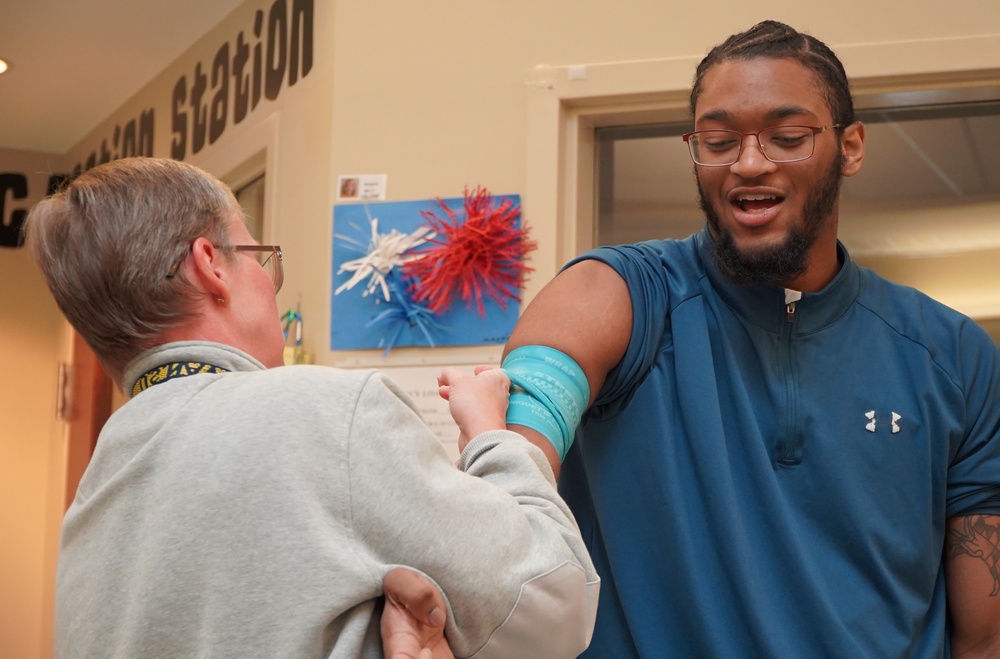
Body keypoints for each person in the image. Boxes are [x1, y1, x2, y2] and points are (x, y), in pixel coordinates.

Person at [494, 20, 1000, 658]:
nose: (749, 162)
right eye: (718, 140)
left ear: (851, 147)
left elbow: (983, 638)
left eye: (788, 137)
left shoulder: (951, 358)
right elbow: (512, 457)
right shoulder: (623, 293)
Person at [26, 157, 599, 658]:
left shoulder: (94, 492)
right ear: (211, 265)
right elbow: (551, 601)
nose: (270, 284)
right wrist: (492, 438)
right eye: (258, 256)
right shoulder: (323, 411)